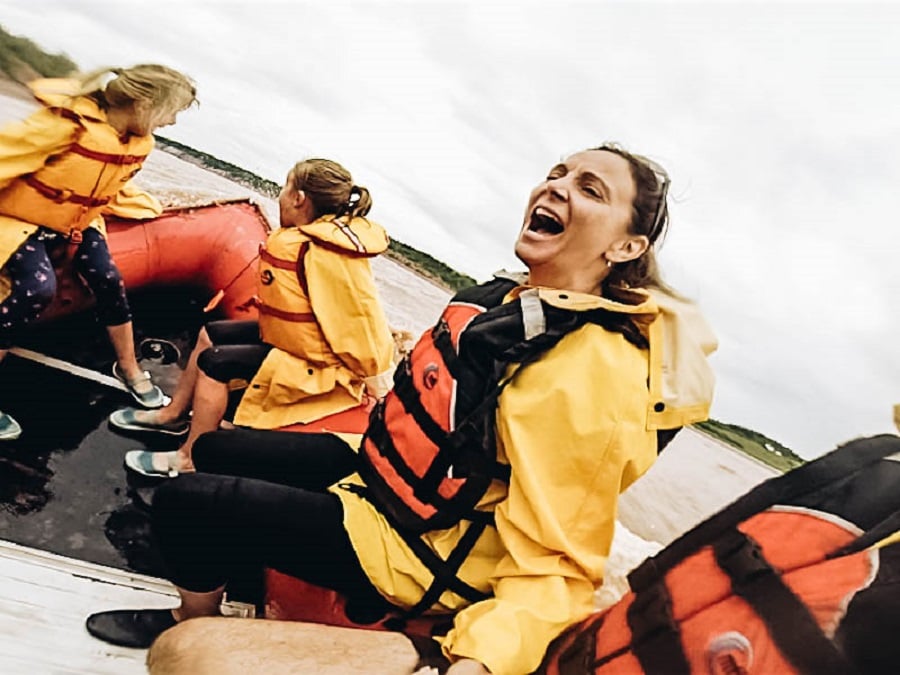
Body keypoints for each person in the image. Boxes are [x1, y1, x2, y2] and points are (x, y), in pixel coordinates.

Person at [86, 144, 717, 675]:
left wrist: (483, 657)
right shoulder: (509, 304)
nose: (555, 188)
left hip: (415, 543)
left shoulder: (585, 370)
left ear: (627, 248)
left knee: (186, 501)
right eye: (556, 173)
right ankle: (245, 578)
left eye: (590, 189)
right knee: (217, 450)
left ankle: (193, 617)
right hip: (378, 473)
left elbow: (558, 562)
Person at [110, 158, 396, 477]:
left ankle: (190, 457)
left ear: (299, 198)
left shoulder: (327, 254)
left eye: (285, 187)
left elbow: (361, 322)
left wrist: (379, 385)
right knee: (210, 334)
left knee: (215, 364)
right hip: (291, 345)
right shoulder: (306, 241)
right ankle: (172, 415)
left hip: (317, 365)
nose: (281, 195)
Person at [0, 64, 197, 440]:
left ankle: (128, 367)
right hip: (16, 219)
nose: (171, 122)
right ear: (144, 104)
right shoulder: (63, 126)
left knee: (108, 278)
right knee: (36, 288)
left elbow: (109, 188)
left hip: (75, 225)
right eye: (170, 112)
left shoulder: (139, 141)